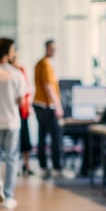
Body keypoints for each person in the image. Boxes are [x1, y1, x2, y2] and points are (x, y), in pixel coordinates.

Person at [0, 38, 25, 209]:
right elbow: (21, 101)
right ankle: (8, 196)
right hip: (11, 122)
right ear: (8, 53)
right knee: (11, 159)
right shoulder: (16, 74)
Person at [33, 39, 64, 179]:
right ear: (47, 49)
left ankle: (43, 166)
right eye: (52, 49)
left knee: (42, 136)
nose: (55, 52)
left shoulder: (41, 63)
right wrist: (58, 106)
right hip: (46, 105)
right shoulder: (45, 65)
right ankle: (57, 167)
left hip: (38, 104)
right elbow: (48, 87)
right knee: (56, 136)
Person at [8, 49, 34, 176]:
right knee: (11, 144)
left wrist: (27, 104)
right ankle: (14, 168)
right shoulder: (6, 71)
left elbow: (26, 90)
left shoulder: (20, 70)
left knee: (24, 138)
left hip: (21, 110)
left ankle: (26, 165)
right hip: (9, 111)